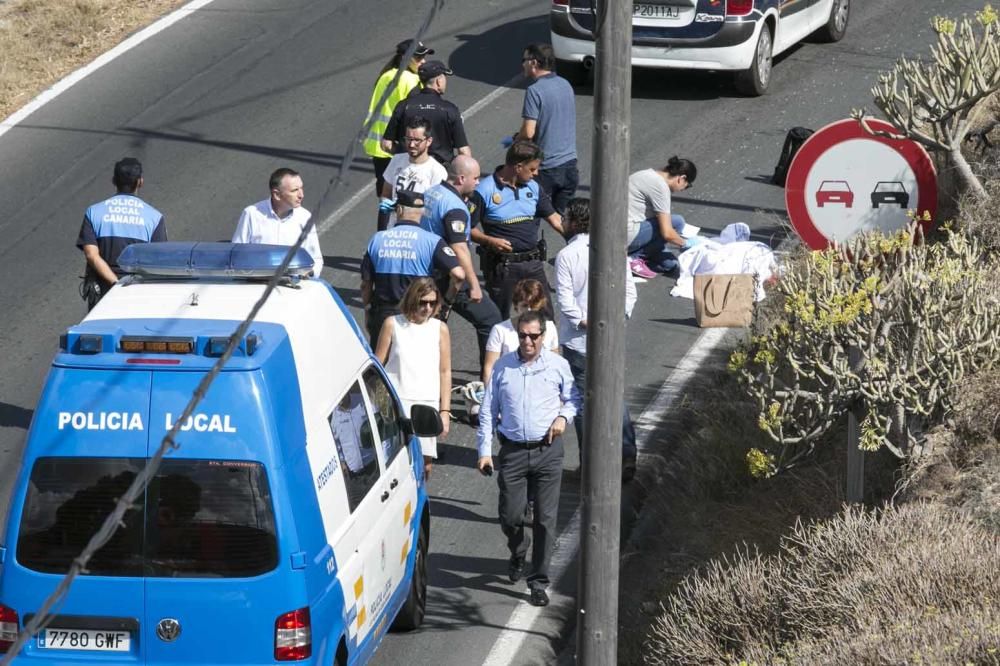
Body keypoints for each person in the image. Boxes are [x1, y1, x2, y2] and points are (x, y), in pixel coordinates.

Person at [477, 310, 579, 608]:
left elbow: (574, 398)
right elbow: (487, 410)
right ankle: (519, 549)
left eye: (534, 336)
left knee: (546, 519)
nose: (528, 341)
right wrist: (484, 452)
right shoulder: (503, 367)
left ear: (543, 336)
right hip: (513, 451)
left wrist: (563, 417)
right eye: (523, 335)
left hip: (548, 451)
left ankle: (538, 581)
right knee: (510, 515)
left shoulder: (558, 366)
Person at [555, 198, 639, 480]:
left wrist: (583, 321)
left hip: (578, 342)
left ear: (576, 221)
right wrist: (614, 322)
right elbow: (629, 294)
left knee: (581, 403)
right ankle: (626, 455)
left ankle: (589, 463)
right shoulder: (615, 250)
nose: (562, 222)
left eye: (565, 217)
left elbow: (566, 301)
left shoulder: (567, 255)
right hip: (610, 339)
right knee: (614, 396)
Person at [420, 155, 502, 374]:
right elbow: (460, 249)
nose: (478, 182)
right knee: (490, 319)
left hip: (425, 271)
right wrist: (474, 284)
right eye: (475, 178)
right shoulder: (454, 207)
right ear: (461, 178)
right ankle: (489, 377)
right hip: (448, 275)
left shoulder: (432, 192)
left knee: (430, 327)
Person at [469, 140, 563, 319]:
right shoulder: (484, 190)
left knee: (546, 319)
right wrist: (488, 240)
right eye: (532, 169)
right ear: (519, 167)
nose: (536, 174)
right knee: (499, 320)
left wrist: (580, 240)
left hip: (533, 265)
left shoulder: (533, 188)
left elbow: (555, 219)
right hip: (503, 267)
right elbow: (466, 228)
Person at [361, 189, 465, 343]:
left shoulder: (378, 239)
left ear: (399, 210)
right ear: (422, 212)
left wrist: (368, 309)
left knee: (382, 362)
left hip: (383, 315)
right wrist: (445, 303)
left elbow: (366, 284)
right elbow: (459, 275)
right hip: (417, 315)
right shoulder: (433, 241)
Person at [375, 278, 451, 479]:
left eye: (432, 303)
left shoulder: (440, 328)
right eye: (422, 302)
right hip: (396, 404)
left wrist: (445, 411)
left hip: (427, 404)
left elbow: (445, 372)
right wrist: (378, 404)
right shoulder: (392, 324)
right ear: (412, 299)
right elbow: (378, 367)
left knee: (424, 466)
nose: (427, 308)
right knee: (394, 465)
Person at [76, 157, 166, 309]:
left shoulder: (94, 212)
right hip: (138, 294)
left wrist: (115, 284)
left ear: (113, 180)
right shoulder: (154, 217)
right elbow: (158, 261)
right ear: (140, 182)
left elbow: (91, 255)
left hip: (103, 293)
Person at [363, 39, 432, 198]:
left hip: (378, 146)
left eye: (424, 57)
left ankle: (384, 222)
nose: (423, 62)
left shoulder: (386, 75)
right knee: (404, 195)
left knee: (384, 194)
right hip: (397, 146)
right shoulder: (412, 80)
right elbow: (417, 116)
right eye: (418, 58)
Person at [517, 43, 578, 214]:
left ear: (534, 63)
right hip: (570, 165)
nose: (523, 64)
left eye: (524, 60)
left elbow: (529, 132)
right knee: (563, 220)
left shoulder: (534, 91)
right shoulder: (565, 84)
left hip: (546, 168)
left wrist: (517, 140)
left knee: (530, 217)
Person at [232, 167, 323, 276]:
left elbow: (316, 258)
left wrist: (309, 273)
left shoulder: (305, 217)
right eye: (295, 190)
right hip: (256, 284)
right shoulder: (251, 214)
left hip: (291, 286)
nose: (301, 195)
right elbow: (236, 253)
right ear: (277, 194)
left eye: (301, 188)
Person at [383, 60, 471, 166]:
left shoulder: (403, 105)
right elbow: (463, 151)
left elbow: (386, 144)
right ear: (439, 81)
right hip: (440, 171)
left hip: (407, 169)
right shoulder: (449, 109)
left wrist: (405, 155)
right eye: (444, 77)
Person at [627, 157, 702, 279]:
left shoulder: (646, 174)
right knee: (677, 222)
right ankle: (633, 257)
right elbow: (667, 232)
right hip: (627, 234)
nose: (682, 190)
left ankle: (640, 255)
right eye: (686, 186)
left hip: (622, 229)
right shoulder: (661, 187)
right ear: (681, 178)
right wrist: (685, 243)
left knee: (671, 265)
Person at [482, 278, 559, 382]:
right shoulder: (500, 330)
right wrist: (490, 396)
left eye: (534, 305)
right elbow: (489, 368)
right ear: (516, 305)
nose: (529, 310)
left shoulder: (549, 327)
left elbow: (555, 363)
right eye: (525, 305)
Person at [377, 117, 448, 230]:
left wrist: (402, 208)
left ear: (428, 141)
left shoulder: (437, 171)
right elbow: (386, 192)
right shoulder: (397, 160)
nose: (411, 144)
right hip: (394, 228)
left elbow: (435, 210)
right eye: (408, 139)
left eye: (417, 140)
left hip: (419, 232)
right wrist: (385, 202)